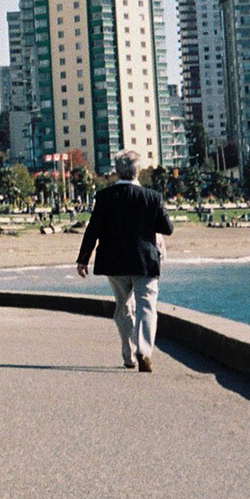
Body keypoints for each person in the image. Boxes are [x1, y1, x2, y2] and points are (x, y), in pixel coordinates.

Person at [76, 149, 173, 372]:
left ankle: (129, 353)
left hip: (114, 262)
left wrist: (83, 259)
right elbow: (167, 228)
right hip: (144, 261)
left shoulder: (104, 197)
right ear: (138, 170)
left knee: (123, 306)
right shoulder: (152, 197)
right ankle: (144, 349)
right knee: (146, 306)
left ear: (117, 171)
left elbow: (93, 230)